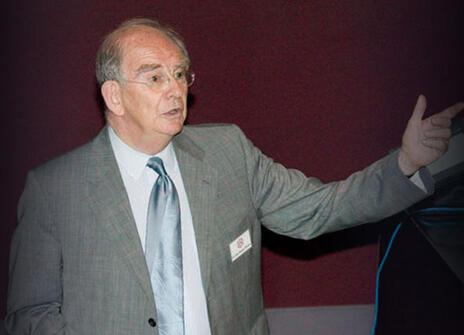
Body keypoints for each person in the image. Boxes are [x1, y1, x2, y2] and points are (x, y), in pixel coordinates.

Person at [5, 18, 462, 335]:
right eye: (155, 77)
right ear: (114, 95)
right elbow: (29, 313)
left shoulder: (228, 152)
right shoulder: (54, 189)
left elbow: (320, 209)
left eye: (180, 75)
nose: (175, 90)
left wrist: (405, 163)